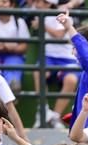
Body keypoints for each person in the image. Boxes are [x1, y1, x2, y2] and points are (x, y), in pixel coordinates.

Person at [31, 0, 79, 128]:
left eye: (40, 2)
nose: (37, 4)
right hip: (48, 57)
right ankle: (43, 111)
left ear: (48, 4)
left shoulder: (62, 13)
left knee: (71, 80)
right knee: (38, 72)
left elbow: (59, 34)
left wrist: (41, 23)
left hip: (67, 58)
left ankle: (55, 117)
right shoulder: (38, 12)